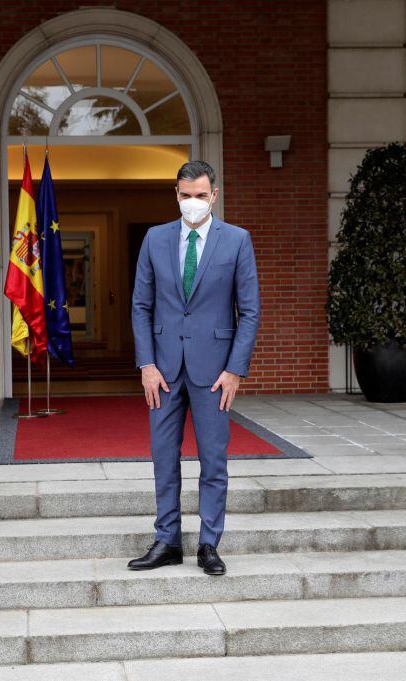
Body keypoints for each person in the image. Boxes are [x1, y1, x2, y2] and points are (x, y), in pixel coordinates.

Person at [129, 160, 260, 576]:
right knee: (163, 457)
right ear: (176, 194)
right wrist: (147, 364)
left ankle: (209, 544)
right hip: (163, 371)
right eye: (185, 196)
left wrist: (235, 370)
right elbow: (141, 306)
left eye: (200, 195)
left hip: (215, 371)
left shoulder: (237, 241)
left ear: (214, 195)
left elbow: (250, 311)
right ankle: (167, 540)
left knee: (214, 460)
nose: (192, 203)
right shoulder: (155, 238)